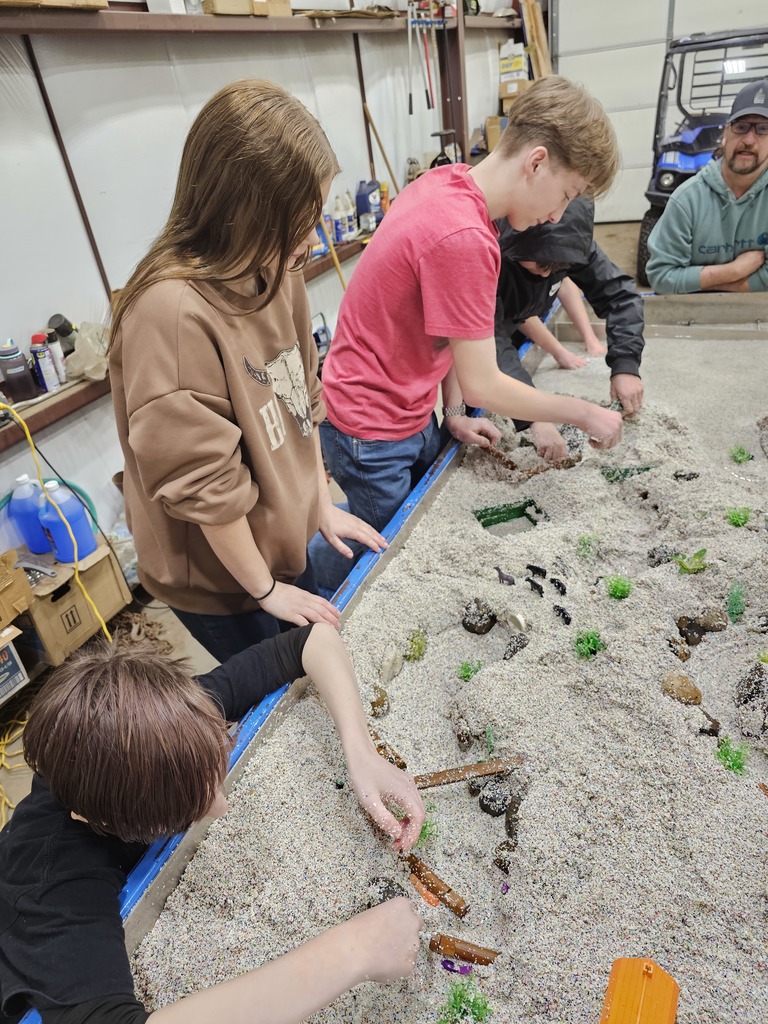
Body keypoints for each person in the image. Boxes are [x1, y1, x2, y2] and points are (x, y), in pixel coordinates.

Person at [0, 624, 424, 1024]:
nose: (222, 807)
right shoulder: (55, 888)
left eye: (216, 771)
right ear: (104, 820)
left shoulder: (164, 727)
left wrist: (361, 753)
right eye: (188, 809)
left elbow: (311, 641)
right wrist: (351, 953)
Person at [109, 80, 387, 662]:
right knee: (286, 687)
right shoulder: (171, 314)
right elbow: (204, 485)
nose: (311, 239)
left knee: (321, 658)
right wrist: (264, 589)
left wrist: (316, 505)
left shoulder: (278, 269)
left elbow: (303, 402)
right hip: (221, 580)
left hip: (279, 545)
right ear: (245, 212)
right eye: (299, 221)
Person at [313, 76, 624, 595]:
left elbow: (452, 336)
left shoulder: (448, 183)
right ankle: (296, 591)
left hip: (407, 409)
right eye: (566, 194)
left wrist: (453, 413)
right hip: (370, 427)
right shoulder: (466, 237)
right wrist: (582, 411)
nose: (557, 215)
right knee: (381, 556)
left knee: (400, 523)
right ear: (537, 161)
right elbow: (485, 382)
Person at [494, 196, 645, 463]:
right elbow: (490, 340)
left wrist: (625, 365)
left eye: (559, 267)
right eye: (540, 263)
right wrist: (534, 417)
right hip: (479, 344)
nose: (546, 273)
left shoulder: (574, 244)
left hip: (516, 320)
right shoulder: (490, 254)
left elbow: (621, 297)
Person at [646, 78, 768, 294]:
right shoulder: (687, 200)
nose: (749, 140)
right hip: (692, 318)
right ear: (725, 135)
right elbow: (662, 278)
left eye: (763, 129)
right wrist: (733, 270)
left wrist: (702, 283)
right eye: (741, 127)